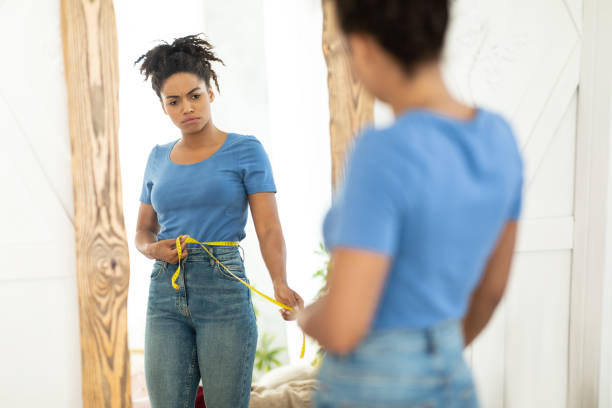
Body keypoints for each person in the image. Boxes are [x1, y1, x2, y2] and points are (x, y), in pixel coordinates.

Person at [297, 1, 523, 406]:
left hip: (372, 384)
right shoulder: (499, 138)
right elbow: (491, 290)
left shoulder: (382, 151)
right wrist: (435, 351)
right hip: (453, 375)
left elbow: (345, 326)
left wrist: (307, 318)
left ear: (364, 46)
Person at [134, 34, 303, 408]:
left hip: (223, 289)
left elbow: (269, 227)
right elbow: (143, 230)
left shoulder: (245, 149)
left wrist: (280, 282)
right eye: (173, 101)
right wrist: (151, 249)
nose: (186, 108)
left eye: (195, 95)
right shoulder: (157, 158)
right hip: (165, 292)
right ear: (163, 108)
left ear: (212, 91)